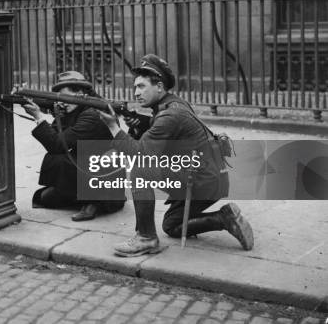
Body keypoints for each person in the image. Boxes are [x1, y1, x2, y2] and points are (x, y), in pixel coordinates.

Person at [99, 54, 253, 256]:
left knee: (140, 170)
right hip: (211, 179)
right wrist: (141, 126)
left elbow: (142, 154)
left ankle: (146, 238)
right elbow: (168, 134)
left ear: (160, 87)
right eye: (135, 87)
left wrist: (113, 127)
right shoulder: (175, 104)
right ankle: (224, 218)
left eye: (142, 86)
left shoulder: (169, 115)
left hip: (200, 182)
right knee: (171, 226)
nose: (136, 93)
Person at [22, 71, 125, 221]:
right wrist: (58, 115)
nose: (61, 102)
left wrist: (38, 117)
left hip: (103, 179)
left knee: (57, 158)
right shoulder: (78, 108)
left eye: (64, 97)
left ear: (80, 93)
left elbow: (57, 144)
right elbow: (56, 138)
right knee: (45, 198)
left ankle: (93, 202)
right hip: (86, 169)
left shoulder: (93, 114)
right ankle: (76, 195)